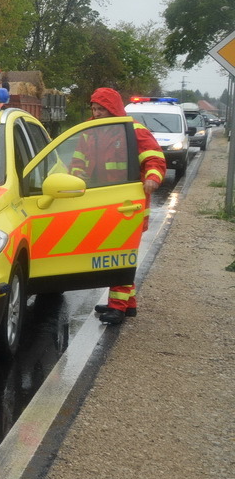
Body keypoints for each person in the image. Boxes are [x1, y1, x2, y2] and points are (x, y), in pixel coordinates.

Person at [70, 87, 166, 325]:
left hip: (126, 204)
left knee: (120, 256)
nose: (97, 112)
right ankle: (128, 303)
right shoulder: (89, 131)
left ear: (112, 108)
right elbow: (78, 161)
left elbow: (154, 157)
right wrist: (73, 183)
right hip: (100, 201)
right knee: (115, 254)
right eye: (94, 108)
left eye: (101, 108)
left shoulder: (133, 129)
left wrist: (153, 178)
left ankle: (118, 307)